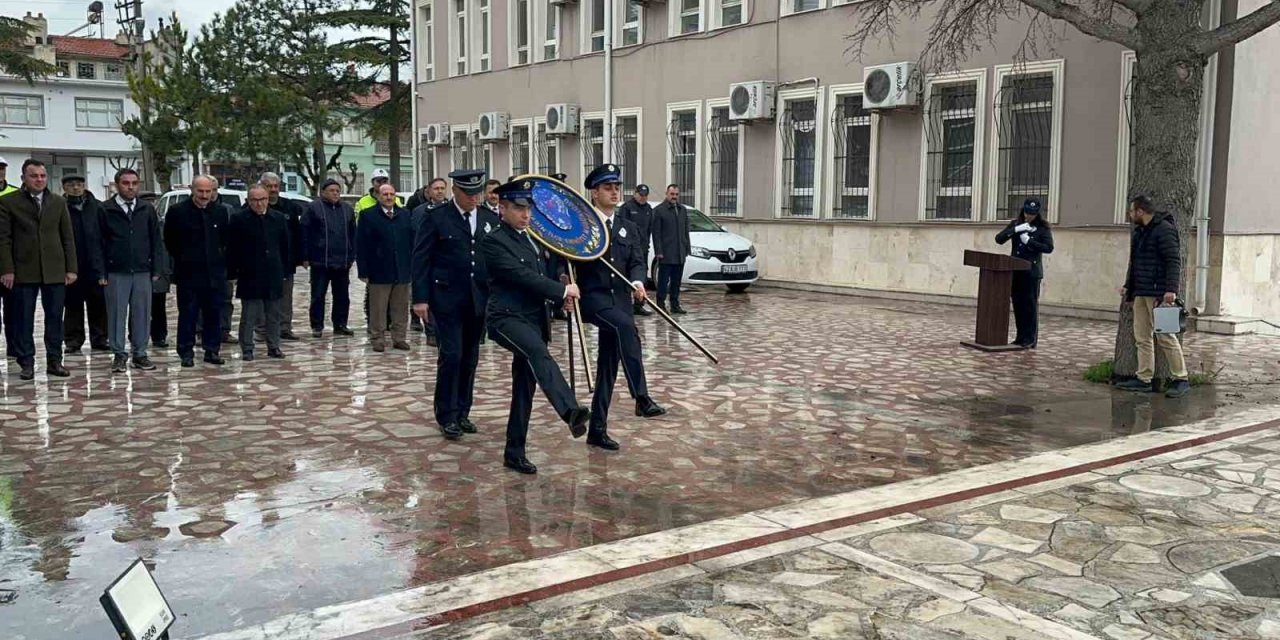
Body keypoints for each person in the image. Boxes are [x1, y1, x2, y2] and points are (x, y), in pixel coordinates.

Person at [481, 178, 592, 474]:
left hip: (533, 319)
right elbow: (521, 276)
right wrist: (560, 291)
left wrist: (560, 297)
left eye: (528, 208)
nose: (526, 214)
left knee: (524, 387)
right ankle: (570, 411)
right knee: (537, 353)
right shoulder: (494, 241)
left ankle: (514, 452)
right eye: (519, 208)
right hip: (506, 318)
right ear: (502, 208)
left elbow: (543, 276)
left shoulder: (533, 239)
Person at [573, 165, 668, 451]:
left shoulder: (628, 227)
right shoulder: (582, 227)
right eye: (607, 188)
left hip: (620, 302)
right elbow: (564, 263)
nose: (614, 192)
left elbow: (637, 261)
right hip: (594, 299)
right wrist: (566, 283)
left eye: (617, 187)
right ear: (594, 193)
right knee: (628, 328)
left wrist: (638, 282)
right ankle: (641, 396)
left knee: (608, 367)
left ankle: (597, 429)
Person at [412, 169, 500, 440]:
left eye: (477, 193)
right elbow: (421, 258)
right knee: (451, 355)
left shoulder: (488, 218)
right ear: (455, 191)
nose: (474, 198)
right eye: (468, 193)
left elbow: (494, 259)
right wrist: (420, 298)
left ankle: (462, 411)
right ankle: (447, 414)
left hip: (477, 299)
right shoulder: (436, 217)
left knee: (470, 357)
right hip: (446, 298)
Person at [0, 159, 77, 380]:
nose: (39, 180)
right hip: (23, 270)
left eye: (42, 176)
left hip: (54, 270)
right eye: (34, 176)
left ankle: (55, 360)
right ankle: (26, 362)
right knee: (23, 319)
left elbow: (67, 237)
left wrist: (71, 268)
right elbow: (3, 239)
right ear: (23, 178)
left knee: (55, 318)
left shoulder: (58, 202)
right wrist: (6, 269)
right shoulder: (9, 202)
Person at [1117, 195, 1191, 399]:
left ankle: (1181, 378)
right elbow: (1135, 262)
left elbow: (1173, 260)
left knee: (1166, 336)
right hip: (1141, 292)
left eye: (1132, 211)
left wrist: (1170, 289)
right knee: (1142, 337)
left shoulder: (1164, 229)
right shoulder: (1140, 231)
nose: (1130, 215)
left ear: (1140, 211)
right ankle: (1144, 378)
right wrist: (1128, 286)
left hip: (1159, 294)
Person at [98, 168, 163, 373]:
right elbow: (97, 243)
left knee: (142, 314)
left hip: (142, 270)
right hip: (115, 271)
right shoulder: (105, 209)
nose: (130, 187)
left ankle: (140, 353)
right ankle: (119, 354)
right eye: (126, 183)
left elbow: (156, 239)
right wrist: (101, 272)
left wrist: (157, 268)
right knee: (116, 314)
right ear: (117, 185)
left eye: (134, 183)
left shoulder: (146, 209)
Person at [164, 175, 230, 367]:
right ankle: (186, 352)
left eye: (208, 191)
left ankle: (212, 350)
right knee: (188, 314)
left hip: (214, 273)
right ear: (192, 189)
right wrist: (184, 258)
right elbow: (170, 240)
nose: (204, 195)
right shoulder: (177, 212)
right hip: (188, 273)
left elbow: (225, 240)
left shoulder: (219, 212)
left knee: (213, 313)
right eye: (200, 191)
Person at [227, 185, 290, 361]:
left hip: (273, 272)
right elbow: (232, 248)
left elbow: (285, 245)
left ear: (267, 200)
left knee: (274, 314)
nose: (259, 204)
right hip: (249, 274)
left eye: (262, 199)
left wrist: (285, 269)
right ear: (248, 201)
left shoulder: (278, 218)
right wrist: (233, 272)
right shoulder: (239, 219)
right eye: (254, 200)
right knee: (249, 315)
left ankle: (274, 346)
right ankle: (247, 348)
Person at [358, 183, 414, 352]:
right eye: (385, 194)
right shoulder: (368, 215)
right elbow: (361, 244)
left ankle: (399, 338)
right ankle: (377, 338)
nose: (389, 197)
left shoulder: (405, 214)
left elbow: (411, 241)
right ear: (378, 196)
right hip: (378, 270)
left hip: (401, 269)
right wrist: (363, 270)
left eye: (391, 194)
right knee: (378, 308)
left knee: (401, 307)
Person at [995, 198, 1054, 349]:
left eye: (1032, 214)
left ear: (1037, 214)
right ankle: (1020, 337)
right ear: (1023, 211)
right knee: (1018, 305)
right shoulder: (1016, 224)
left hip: (1031, 272)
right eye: (1027, 213)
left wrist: (1029, 242)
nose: (1029, 216)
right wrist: (1015, 230)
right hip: (1016, 271)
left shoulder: (1042, 228)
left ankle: (1030, 339)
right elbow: (999, 239)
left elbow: (1048, 247)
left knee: (1030, 306)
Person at [302, 179, 357, 338]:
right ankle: (317, 325)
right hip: (320, 260)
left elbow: (353, 234)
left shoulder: (347, 209)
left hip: (342, 261)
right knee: (318, 295)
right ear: (323, 192)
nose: (335, 193)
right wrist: (305, 256)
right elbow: (305, 233)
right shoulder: (313, 208)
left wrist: (352, 254)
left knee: (342, 296)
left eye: (337, 191)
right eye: (331, 190)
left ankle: (340, 324)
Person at [62, 175, 108, 354]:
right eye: (71, 185)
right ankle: (73, 340)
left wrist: (103, 266)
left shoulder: (97, 207)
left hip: (95, 264)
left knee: (98, 304)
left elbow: (105, 237)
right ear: (64, 188)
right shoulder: (61, 207)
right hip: (72, 265)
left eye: (79, 184)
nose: (76, 188)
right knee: (72, 305)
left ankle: (100, 338)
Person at [260, 172, 306, 341]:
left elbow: (298, 233)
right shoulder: (254, 206)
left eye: (276, 186)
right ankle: (262, 330)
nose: (273, 189)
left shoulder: (289, 207)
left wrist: (301, 257)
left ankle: (284, 328)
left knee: (286, 297)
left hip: (286, 261)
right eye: (269, 186)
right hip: (262, 262)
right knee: (263, 297)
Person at [409, 178, 450, 335]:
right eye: (436, 188)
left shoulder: (452, 209)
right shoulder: (419, 211)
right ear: (429, 191)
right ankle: (431, 332)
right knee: (427, 295)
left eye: (442, 188)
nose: (439, 191)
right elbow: (414, 235)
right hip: (426, 260)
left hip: (445, 263)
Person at [651, 184, 691, 314]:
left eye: (676, 194)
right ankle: (660, 304)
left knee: (676, 281)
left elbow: (685, 231)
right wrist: (659, 251)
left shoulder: (682, 210)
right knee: (663, 281)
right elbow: (656, 233)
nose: (674, 197)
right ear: (667, 194)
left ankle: (675, 304)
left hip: (679, 252)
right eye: (672, 194)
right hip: (666, 253)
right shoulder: (659, 210)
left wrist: (687, 248)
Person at [618, 184, 655, 316]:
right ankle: (624, 304)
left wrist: (647, 244)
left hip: (642, 248)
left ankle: (639, 304)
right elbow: (622, 228)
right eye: (641, 195)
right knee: (627, 276)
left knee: (641, 276)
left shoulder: (648, 209)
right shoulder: (627, 208)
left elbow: (649, 229)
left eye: (645, 195)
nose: (643, 198)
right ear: (635, 194)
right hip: (628, 249)